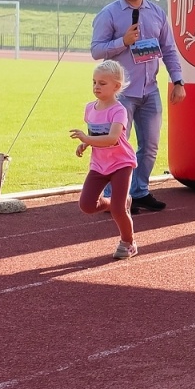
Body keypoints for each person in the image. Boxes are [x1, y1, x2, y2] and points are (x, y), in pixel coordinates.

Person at [89, 0, 186, 214]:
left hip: (150, 90)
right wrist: (122, 41)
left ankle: (139, 191)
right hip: (121, 95)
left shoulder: (157, 13)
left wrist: (178, 81)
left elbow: (169, 50)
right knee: (116, 146)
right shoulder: (109, 14)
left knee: (150, 147)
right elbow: (96, 50)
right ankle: (113, 197)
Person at [71, 61, 140, 260]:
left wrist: (87, 139)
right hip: (99, 165)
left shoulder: (119, 111)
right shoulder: (89, 108)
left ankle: (128, 242)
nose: (96, 87)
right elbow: (95, 135)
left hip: (121, 164)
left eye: (102, 83)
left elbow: (112, 138)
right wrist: (85, 144)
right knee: (87, 205)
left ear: (116, 86)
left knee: (118, 210)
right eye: (94, 82)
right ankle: (120, 202)